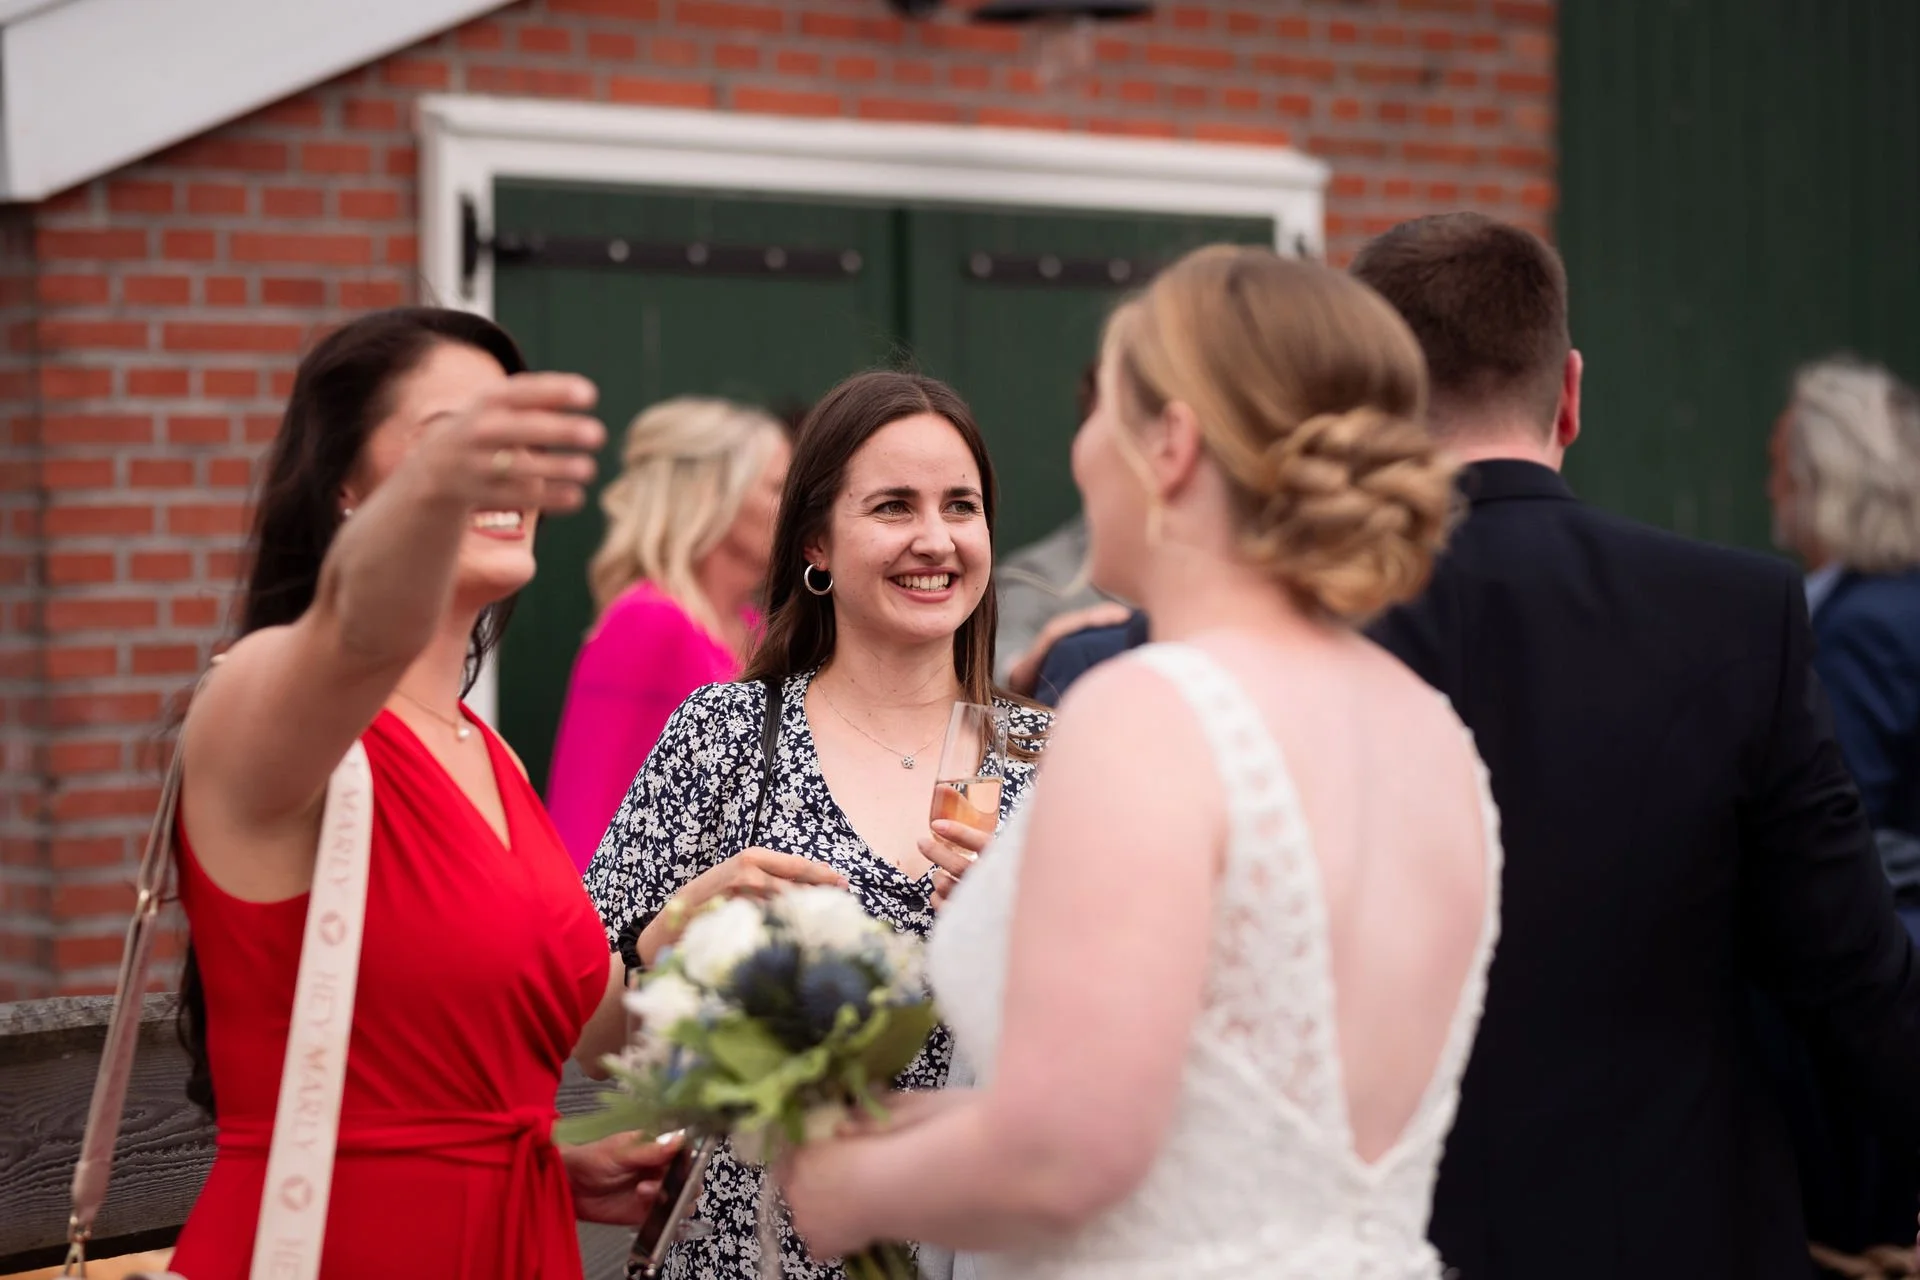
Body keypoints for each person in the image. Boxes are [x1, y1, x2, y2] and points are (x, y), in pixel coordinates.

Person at [779, 245, 1500, 1277]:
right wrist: (885, 1122)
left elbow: (1067, 1152)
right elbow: (1212, 1108)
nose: (1078, 455)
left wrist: (839, 1181)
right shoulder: (1432, 731)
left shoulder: (1153, 711)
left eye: (1098, 412)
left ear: (1170, 445)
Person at [1349, 213, 1920, 1279]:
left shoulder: (1270, 627)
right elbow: (1851, 977)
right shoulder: (1738, 612)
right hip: (1674, 1230)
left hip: (1361, 1240)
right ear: (1569, 390)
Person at [168, 308, 675, 1279]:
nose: (504, 471)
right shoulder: (259, 699)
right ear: (347, 489)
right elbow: (359, 627)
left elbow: (580, 1027)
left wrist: (535, 1153)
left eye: (515, 443)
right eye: (457, 441)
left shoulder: (493, 758)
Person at [585, 370, 1052, 1280]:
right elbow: (583, 1041)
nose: (935, 538)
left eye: (962, 505)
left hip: (978, 1249)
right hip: (745, 1252)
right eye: (892, 507)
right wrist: (671, 931)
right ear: (816, 544)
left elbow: (1132, 1054)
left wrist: (1034, 931)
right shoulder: (724, 735)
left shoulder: (1049, 758)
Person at [1764, 354, 1920, 1273]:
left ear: (1823, 480)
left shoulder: (1862, 625)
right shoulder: (1883, 608)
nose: (1768, 485)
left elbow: (1838, 834)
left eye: (1781, 464)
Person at [546, 396, 791, 868]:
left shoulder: (756, 629)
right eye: (777, 487)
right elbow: (588, 809)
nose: (796, 507)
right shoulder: (648, 620)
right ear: (712, 496)